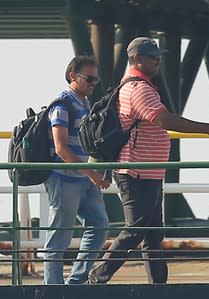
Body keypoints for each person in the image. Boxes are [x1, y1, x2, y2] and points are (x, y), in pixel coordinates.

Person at [87, 36, 209, 284]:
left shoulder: (138, 86)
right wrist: (208, 129)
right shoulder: (139, 89)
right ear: (136, 59)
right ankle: (96, 278)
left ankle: (158, 286)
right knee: (136, 229)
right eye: (152, 56)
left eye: (158, 56)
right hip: (137, 172)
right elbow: (165, 120)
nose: (158, 60)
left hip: (148, 172)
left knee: (153, 234)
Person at [44, 56, 110, 284]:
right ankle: (53, 289)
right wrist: (92, 174)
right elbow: (62, 149)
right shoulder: (62, 105)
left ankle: (75, 283)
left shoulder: (85, 104)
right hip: (64, 179)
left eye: (95, 80)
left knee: (99, 225)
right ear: (73, 76)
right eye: (89, 79)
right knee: (59, 237)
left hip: (82, 178)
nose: (93, 84)